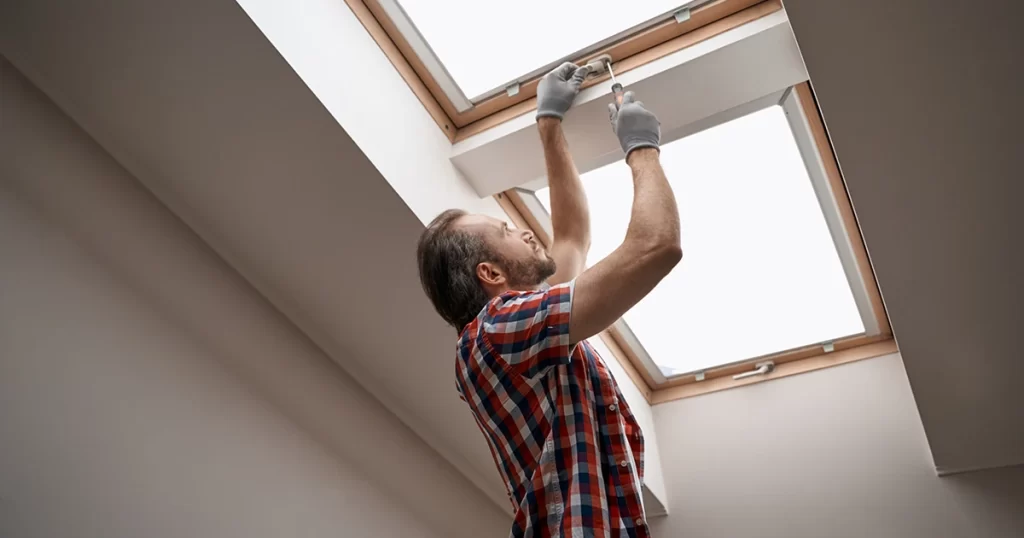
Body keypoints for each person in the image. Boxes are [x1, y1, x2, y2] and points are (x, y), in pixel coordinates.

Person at [416, 61, 681, 538]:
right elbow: (655, 247)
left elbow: (571, 240)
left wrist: (549, 125)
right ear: (491, 273)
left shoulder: (509, 340)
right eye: (504, 231)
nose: (520, 228)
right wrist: (642, 149)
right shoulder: (495, 332)